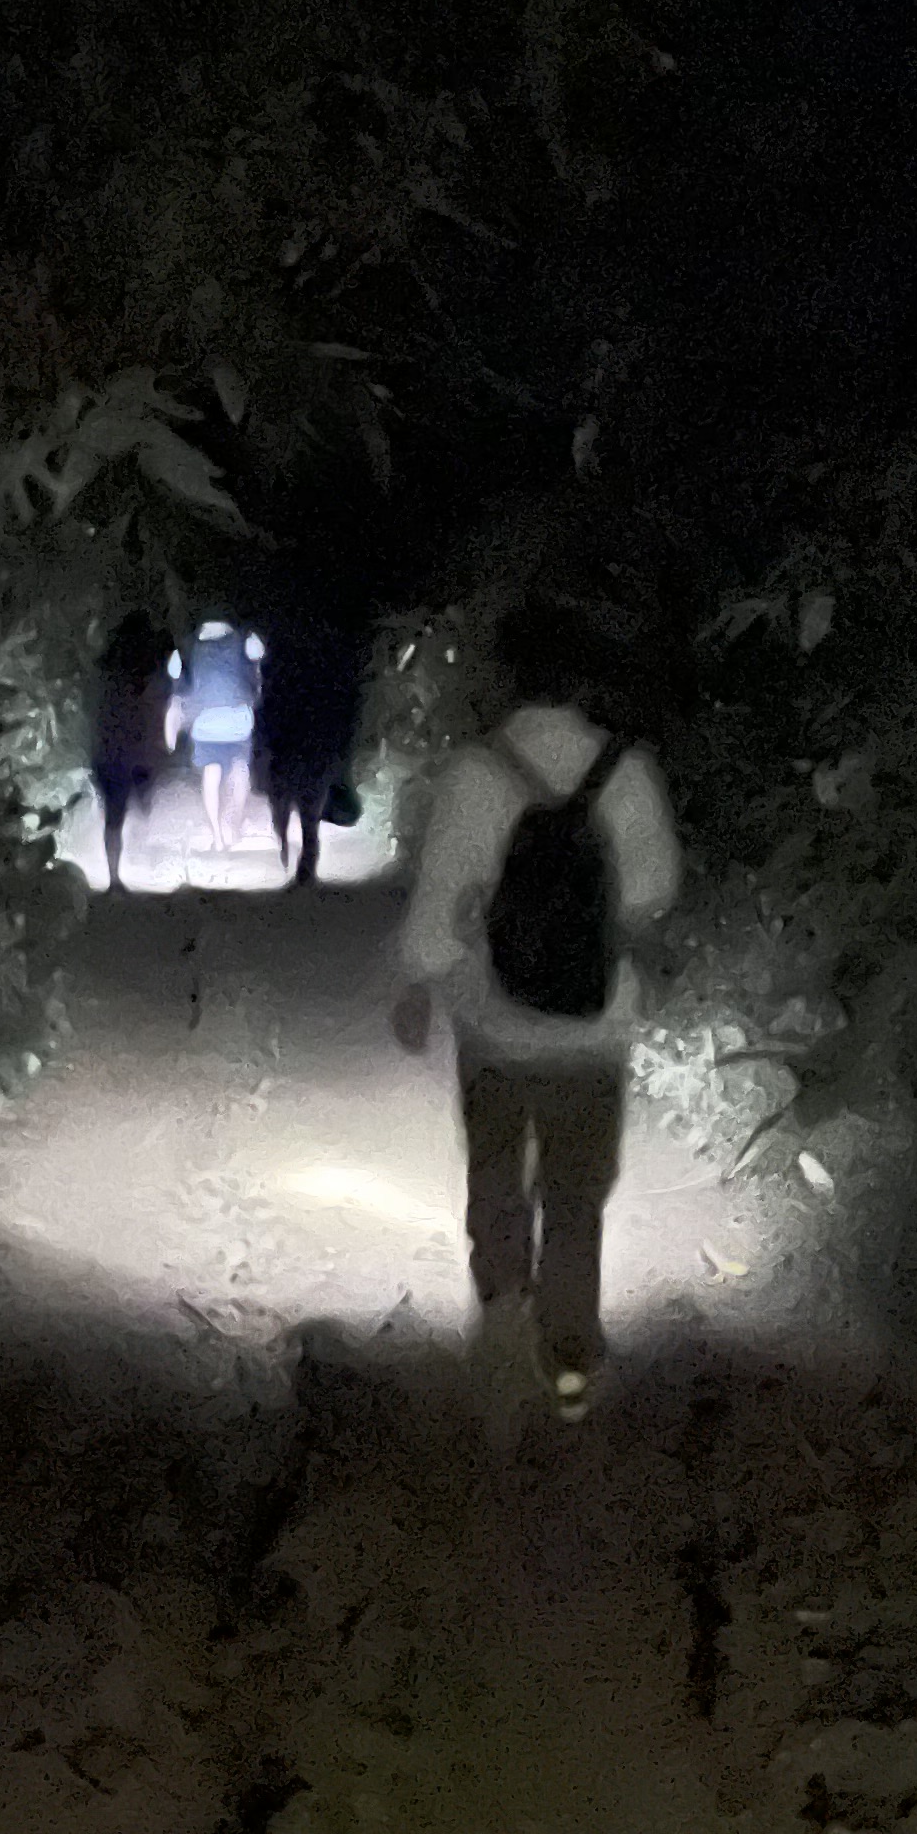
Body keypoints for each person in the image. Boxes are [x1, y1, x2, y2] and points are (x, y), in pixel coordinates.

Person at [390, 596, 680, 1418]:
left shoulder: (477, 775)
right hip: (593, 1028)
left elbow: (441, 904)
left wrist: (420, 984)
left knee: (496, 1176)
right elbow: (651, 895)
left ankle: (501, 1317)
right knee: (577, 1190)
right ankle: (570, 1360)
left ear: (507, 678)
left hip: (494, 1025)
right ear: (586, 678)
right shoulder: (628, 774)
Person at [255, 608, 366, 888]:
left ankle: (290, 856)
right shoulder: (329, 674)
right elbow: (345, 712)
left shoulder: (282, 671)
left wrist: (265, 743)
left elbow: (269, 709)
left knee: (287, 801)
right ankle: (304, 865)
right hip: (316, 746)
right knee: (309, 811)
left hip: (291, 745)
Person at [88, 608, 173, 891]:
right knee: (141, 803)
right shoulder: (148, 675)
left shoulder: (105, 671)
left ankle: (114, 876)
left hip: (109, 752)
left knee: (113, 817)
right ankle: (138, 853)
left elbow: (97, 712)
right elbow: (154, 713)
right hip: (137, 752)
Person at [168, 614, 266, 854]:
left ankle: (217, 836)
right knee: (240, 768)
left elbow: (176, 681)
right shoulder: (244, 640)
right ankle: (233, 825)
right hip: (238, 718)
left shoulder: (188, 647)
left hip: (205, 719)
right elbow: (259, 670)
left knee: (211, 772)